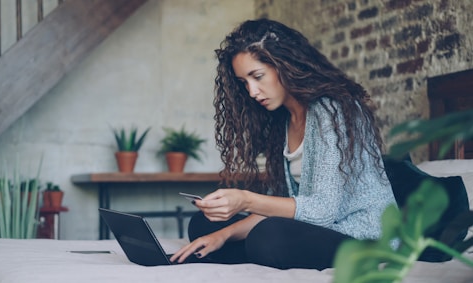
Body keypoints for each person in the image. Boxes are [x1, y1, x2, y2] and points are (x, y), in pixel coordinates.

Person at [170, 18, 397, 270]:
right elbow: (286, 205)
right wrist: (222, 235)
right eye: (244, 82)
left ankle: (254, 250)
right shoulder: (283, 120)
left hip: (364, 237)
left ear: (285, 65)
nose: (252, 92)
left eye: (257, 76)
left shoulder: (334, 111)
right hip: (315, 231)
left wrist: (245, 200)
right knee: (203, 226)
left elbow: (322, 211)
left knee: (268, 237)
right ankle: (233, 245)